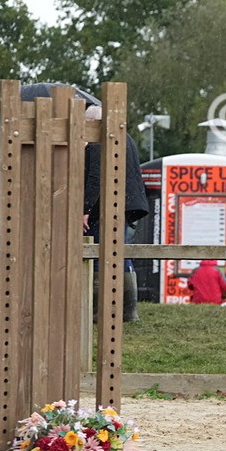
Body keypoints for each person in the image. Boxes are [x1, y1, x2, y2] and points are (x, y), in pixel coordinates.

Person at [83, 104, 150, 322]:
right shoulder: (124, 135)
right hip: (129, 202)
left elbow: (95, 177)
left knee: (101, 252)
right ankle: (129, 310)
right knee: (121, 252)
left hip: (109, 206)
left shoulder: (99, 138)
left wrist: (85, 209)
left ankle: (97, 310)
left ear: (93, 123)